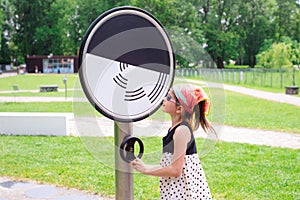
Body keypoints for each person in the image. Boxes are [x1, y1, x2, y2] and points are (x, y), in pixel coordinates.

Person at [131, 84, 215, 199]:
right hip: (176, 189)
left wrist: (146, 169)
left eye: (169, 97)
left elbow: (176, 170)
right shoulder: (175, 129)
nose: (164, 99)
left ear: (179, 109)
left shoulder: (182, 131)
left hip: (184, 193)